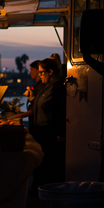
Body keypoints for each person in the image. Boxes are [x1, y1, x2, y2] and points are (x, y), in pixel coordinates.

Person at [28, 58, 66, 191]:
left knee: (49, 163)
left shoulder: (57, 86)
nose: (39, 75)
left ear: (50, 72)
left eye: (42, 73)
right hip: (42, 132)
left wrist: (61, 132)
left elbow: (63, 110)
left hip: (50, 133)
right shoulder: (45, 86)